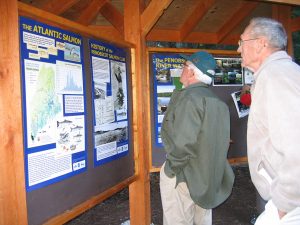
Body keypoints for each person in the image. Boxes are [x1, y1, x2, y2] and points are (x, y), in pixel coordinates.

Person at [159, 51, 235, 225]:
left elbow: (183, 143)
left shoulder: (190, 99)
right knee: (202, 219)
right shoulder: (217, 102)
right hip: (207, 177)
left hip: (184, 175)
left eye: (184, 66)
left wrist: (171, 169)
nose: (181, 70)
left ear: (192, 72)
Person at [238, 17, 300, 225]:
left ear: (261, 43)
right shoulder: (278, 74)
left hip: (291, 205)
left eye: (242, 42)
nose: (239, 49)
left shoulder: (276, 77)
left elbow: (296, 145)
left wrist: (286, 202)